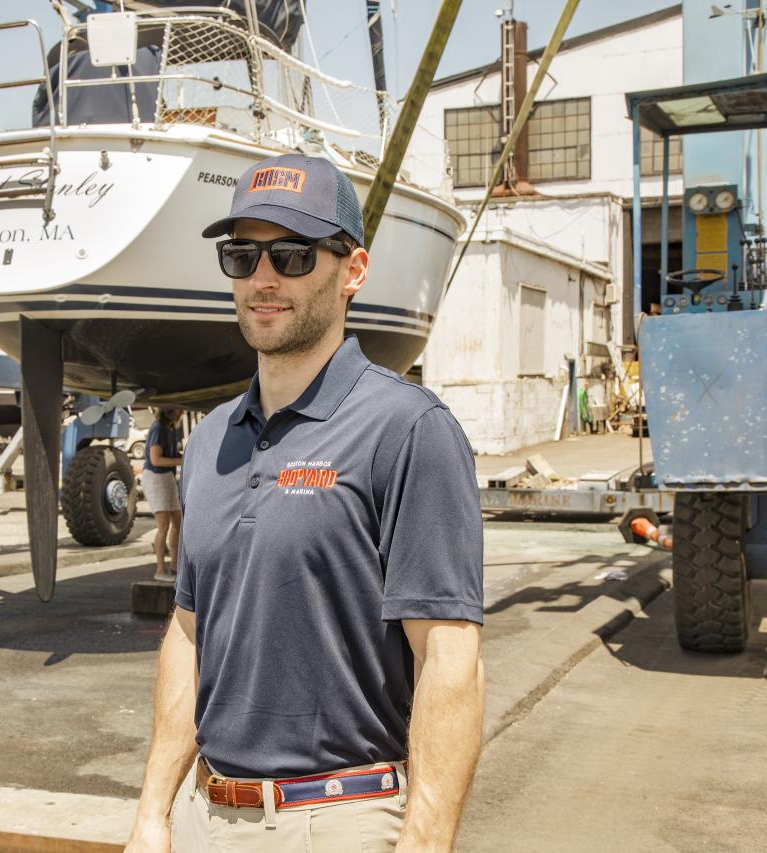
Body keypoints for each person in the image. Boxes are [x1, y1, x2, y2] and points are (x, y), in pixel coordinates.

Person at [125, 153, 485, 853]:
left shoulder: (408, 431)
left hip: (340, 820)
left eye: (291, 255)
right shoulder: (209, 445)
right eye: (242, 255)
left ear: (352, 270)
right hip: (204, 814)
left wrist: (425, 841)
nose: (263, 278)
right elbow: (189, 633)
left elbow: (450, 654)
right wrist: (153, 812)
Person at [142, 407, 184, 581]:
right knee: (163, 525)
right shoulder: (158, 428)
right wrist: (181, 461)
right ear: (169, 411)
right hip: (155, 477)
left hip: (167, 476)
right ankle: (160, 570)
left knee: (178, 523)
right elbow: (155, 459)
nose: (181, 412)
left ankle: (175, 566)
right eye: (178, 410)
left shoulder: (171, 428)